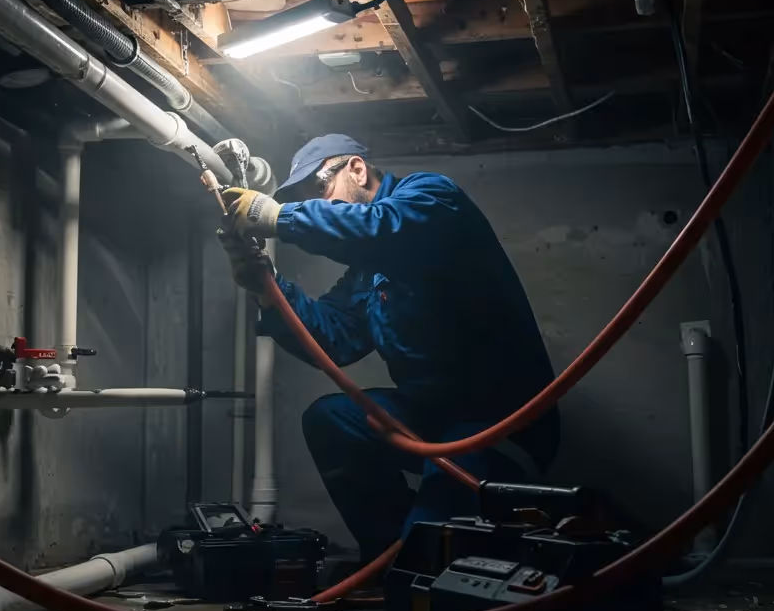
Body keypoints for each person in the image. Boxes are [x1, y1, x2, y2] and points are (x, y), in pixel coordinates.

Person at [218, 133, 561, 564]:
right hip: (430, 419)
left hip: (498, 425)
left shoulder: (432, 198)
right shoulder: (367, 269)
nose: (317, 208)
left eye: (320, 193)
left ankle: (418, 560)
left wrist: (278, 217)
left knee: (430, 551)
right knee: (331, 419)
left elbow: (384, 229)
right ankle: (387, 557)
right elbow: (335, 336)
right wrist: (266, 286)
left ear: (356, 169)